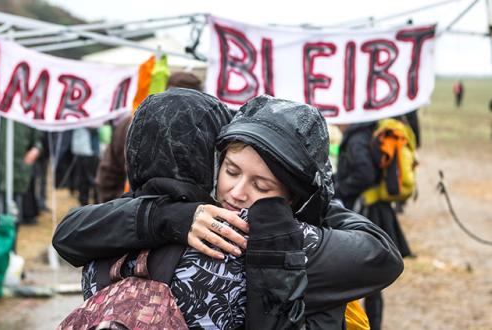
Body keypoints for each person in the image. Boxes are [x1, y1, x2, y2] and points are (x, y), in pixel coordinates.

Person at [53, 90, 403, 329]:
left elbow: (67, 234)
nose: (237, 193)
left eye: (261, 185)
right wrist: (321, 199)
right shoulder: (243, 234)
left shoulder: (110, 237)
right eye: (232, 171)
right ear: (210, 158)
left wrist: (163, 216)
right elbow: (382, 255)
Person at [334, 122, 413, 330]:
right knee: (371, 278)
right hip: (375, 210)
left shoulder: (357, 137)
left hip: (366, 211)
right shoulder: (366, 132)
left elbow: (365, 174)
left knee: (367, 278)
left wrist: (340, 189)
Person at [94, 71, 203, 203]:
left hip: (186, 214)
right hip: (134, 208)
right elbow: (109, 171)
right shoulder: (133, 123)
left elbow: (108, 171)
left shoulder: (204, 130)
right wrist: (116, 206)